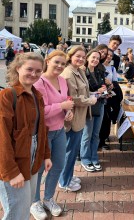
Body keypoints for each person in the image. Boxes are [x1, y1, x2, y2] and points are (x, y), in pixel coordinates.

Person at [0, 52, 52, 220]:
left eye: (38, 71)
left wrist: (46, 155)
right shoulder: (7, 96)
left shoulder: (37, 96)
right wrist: (11, 172)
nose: (34, 74)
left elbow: (42, 129)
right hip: (14, 159)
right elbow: (2, 138)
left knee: (25, 205)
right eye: (29, 69)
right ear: (18, 68)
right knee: (17, 212)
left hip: (33, 156)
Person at [30, 50, 74, 219]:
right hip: (43, 132)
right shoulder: (40, 82)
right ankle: (34, 202)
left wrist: (67, 112)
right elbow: (41, 111)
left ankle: (48, 198)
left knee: (58, 165)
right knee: (39, 168)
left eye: (63, 64)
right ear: (47, 60)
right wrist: (62, 107)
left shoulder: (62, 81)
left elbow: (65, 102)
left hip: (59, 130)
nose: (60, 66)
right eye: (57, 62)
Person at [58, 46, 97, 189]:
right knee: (70, 150)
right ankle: (64, 181)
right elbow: (73, 98)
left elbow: (84, 91)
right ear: (71, 56)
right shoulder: (68, 73)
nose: (81, 59)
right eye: (77, 56)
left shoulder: (79, 70)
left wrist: (92, 95)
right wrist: (90, 100)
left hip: (80, 116)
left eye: (83, 56)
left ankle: (68, 175)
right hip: (72, 118)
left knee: (73, 150)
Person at [80, 49, 107, 172]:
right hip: (88, 107)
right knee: (87, 135)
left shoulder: (99, 71)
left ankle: (94, 157)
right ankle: (85, 158)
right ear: (88, 57)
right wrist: (97, 92)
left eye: (98, 58)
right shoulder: (82, 72)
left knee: (96, 134)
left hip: (100, 104)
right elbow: (83, 93)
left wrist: (106, 91)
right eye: (93, 57)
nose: (95, 60)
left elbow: (101, 88)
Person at [99, 49, 123, 149]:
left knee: (106, 119)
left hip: (108, 97)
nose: (108, 57)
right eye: (107, 55)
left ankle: (103, 140)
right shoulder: (98, 66)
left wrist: (112, 85)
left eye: (110, 55)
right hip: (99, 96)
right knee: (99, 119)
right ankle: (98, 140)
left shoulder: (112, 68)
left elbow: (115, 83)